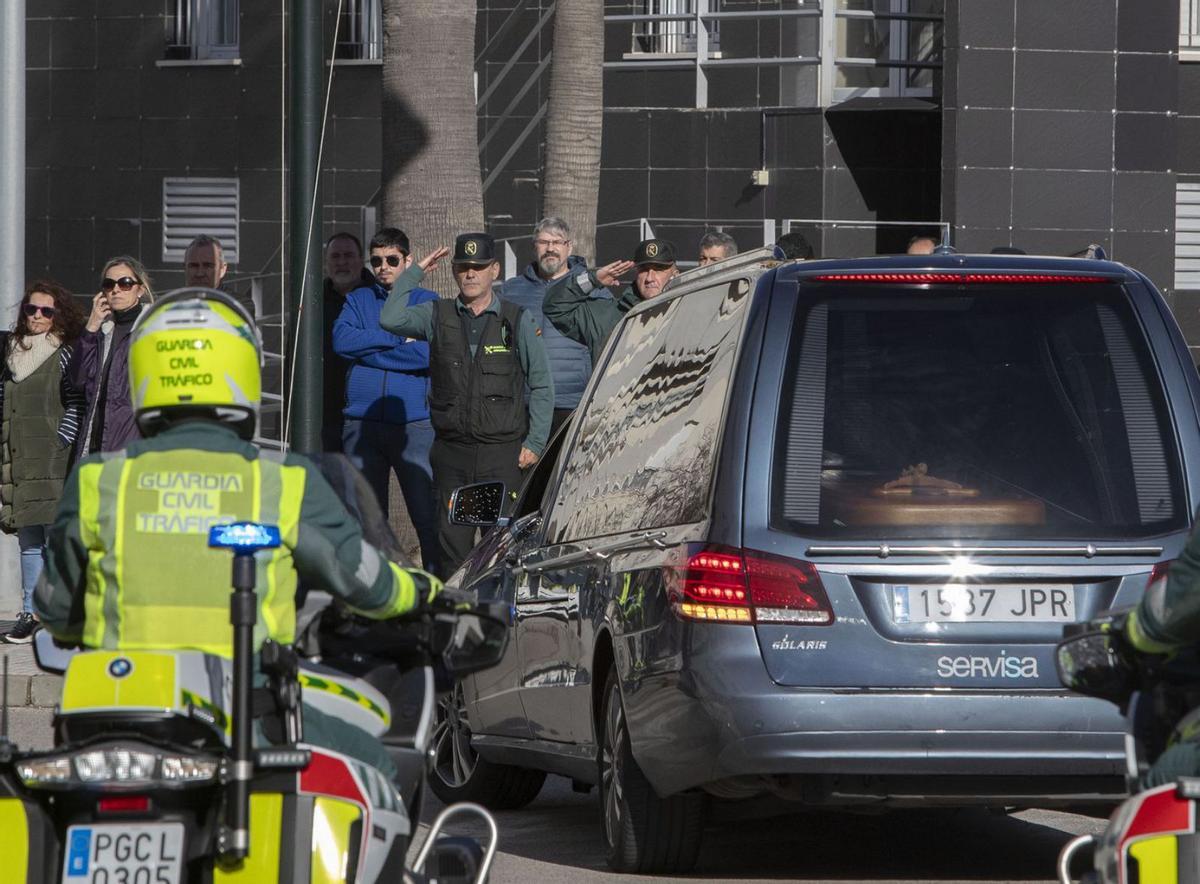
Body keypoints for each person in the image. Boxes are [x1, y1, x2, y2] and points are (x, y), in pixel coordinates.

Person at [35, 288, 441, 779]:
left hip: (115, 715)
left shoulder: (100, 480)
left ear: (145, 376)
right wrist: (427, 592)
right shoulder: (279, 482)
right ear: (242, 374)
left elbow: (55, 608)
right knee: (375, 763)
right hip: (242, 714)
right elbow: (369, 583)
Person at [380, 233, 554, 577]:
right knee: (453, 551)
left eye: (478, 267)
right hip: (453, 458)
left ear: (494, 270)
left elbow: (542, 383)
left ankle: (498, 624)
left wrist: (534, 443)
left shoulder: (515, 320)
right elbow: (391, 318)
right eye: (463, 267)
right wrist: (414, 275)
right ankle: (459, 623)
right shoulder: (437, 314)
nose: (470, 274)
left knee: (501, 550)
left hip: (500, 457)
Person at [333, 227, 441, 573]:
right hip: (361, 423)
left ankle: (439, 585)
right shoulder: (357, 300)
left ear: (408, 261)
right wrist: (395, 338)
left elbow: (425, 355)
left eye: (392, 260)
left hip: (414, 423)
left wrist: (369, 351)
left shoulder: (427, 303)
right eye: (377, 261)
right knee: (367, 518)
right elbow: (342, 342)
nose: (383, 267)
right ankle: (373, 589)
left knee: (426, 516)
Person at [0, 281, 86, 644]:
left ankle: (56, 613)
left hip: (51, 459)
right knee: (28, 540)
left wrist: (60, 441)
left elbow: (77, 402)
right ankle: (30, 612)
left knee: (54, 539)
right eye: (32, 310)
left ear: (58, 315)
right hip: (18, 457)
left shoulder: (64, 350)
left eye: (46, 311)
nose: (37, 316)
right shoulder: (11, 352)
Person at [500, 217, 597, 435]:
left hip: (573, 403)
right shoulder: (511, 291)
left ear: (569, 247)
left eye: (557, 242)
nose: (550, 249)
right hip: (523, 402)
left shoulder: (591, 288)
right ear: (534, 246)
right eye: (544, 242)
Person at [69, 256, 154, 458]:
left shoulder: (153, 329)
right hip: (96, 445)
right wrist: (91, 326)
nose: (115, 290)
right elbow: (78, 380)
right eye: (109, 284)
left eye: (125, 283)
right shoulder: (101, 331)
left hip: (134, 448)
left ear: (140, 290)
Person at [542, 237, 678, 363]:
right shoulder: (605, 316)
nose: (649, 278)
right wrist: (592, 279)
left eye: (659, 269)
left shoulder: (689, 312)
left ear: (675, 273)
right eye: (644, 270)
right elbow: (554, 306)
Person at [322, 232, 374, 452]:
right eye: (335, 256)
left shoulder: (379, 298)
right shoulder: (312, 302)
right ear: (326, 263)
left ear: (361, 260)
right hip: (323, 417)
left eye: (348, 255)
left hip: (368, 417)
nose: (342, 262)